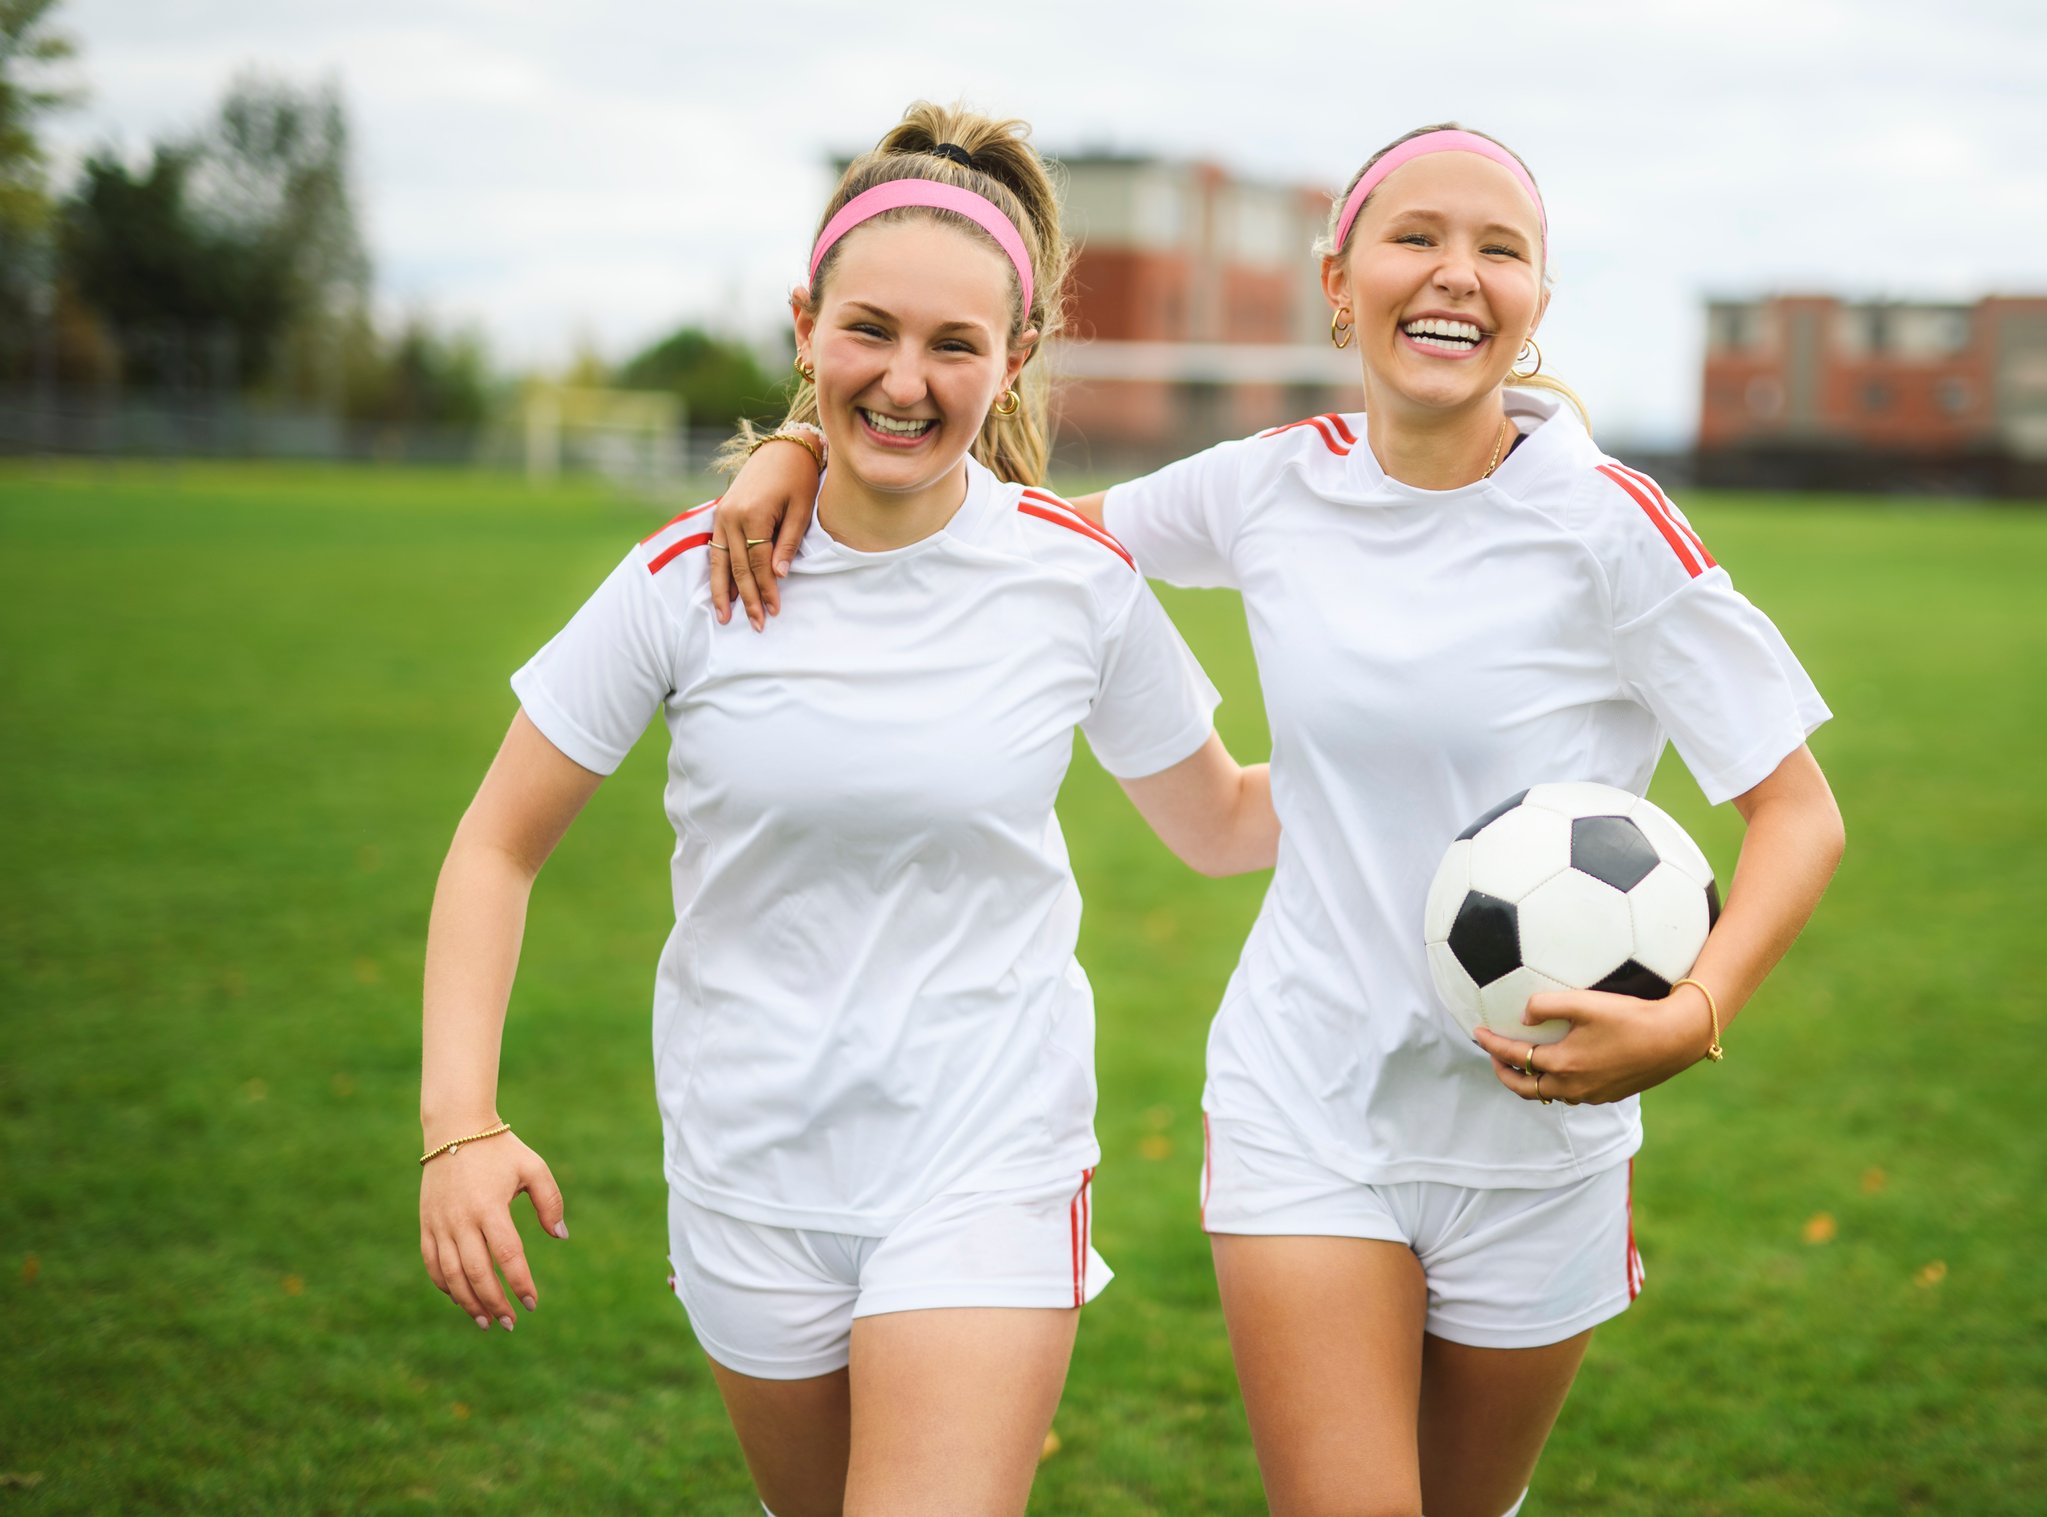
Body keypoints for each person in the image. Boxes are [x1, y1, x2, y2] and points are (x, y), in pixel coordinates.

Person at [706, 124, 1846, 1517]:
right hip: (1303, 1105)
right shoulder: (1268, 486)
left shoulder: (1610, 525)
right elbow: (1000, 535)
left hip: (1536, 1133)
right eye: (1415, 237)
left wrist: (1696, 1009)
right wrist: (802, 453)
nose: (1457, 274)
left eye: (1502, 250)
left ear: (1540, 299)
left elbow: (1796, 809)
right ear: (1338, 278)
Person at [416, 103, 1277, 1517]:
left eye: (956, 344)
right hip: (747, 1162)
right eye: (869, 330)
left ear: (1019, 356)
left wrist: (1462, 772)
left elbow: (1224, 821)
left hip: (987, 1155)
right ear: (805, 322)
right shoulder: (682, 578)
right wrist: (460, 1119)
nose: (904, 379)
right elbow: (495, 845)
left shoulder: (1073, 578)